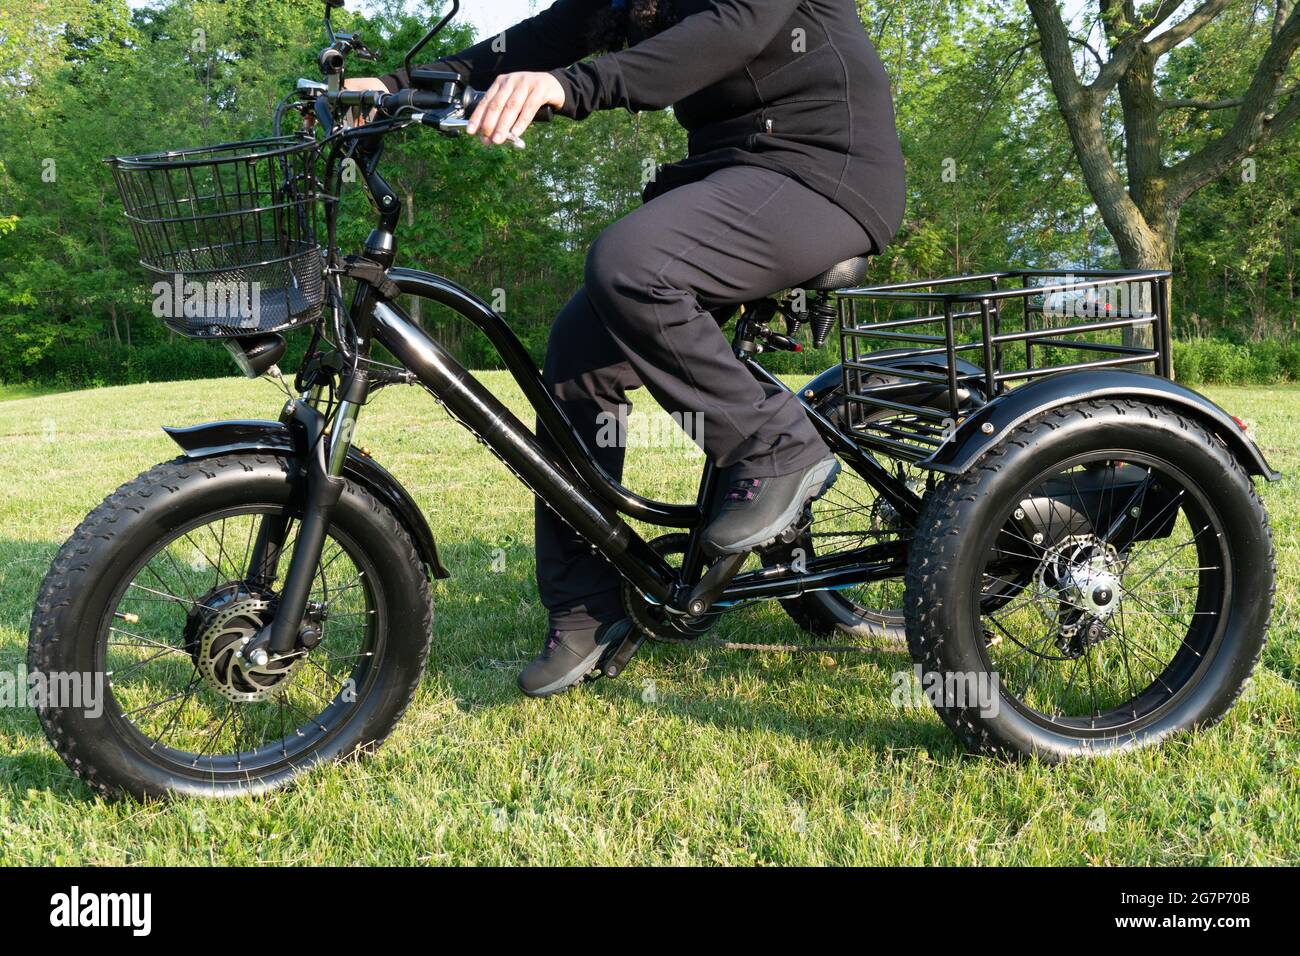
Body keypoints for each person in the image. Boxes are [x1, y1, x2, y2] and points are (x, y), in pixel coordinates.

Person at [349, 0, 906, 697]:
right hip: (730, 174)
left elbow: (729, 29)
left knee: (632, 263)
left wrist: (571, 86)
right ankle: (585, 608)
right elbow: (537, 39)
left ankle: (775, 443)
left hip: (823, 175)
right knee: (578, 351)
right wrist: (400, 86)